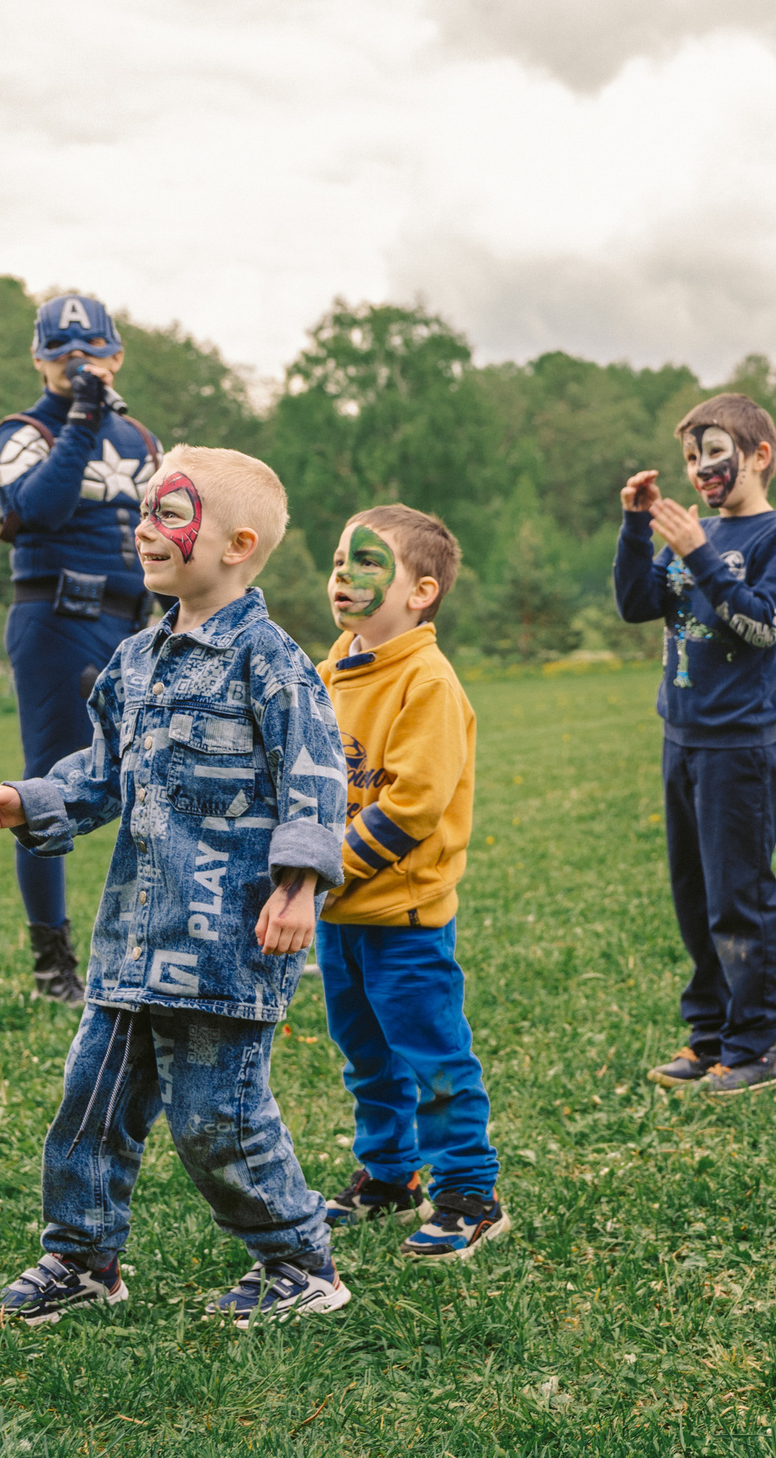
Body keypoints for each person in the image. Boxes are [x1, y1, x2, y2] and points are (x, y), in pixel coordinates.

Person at [0, 446, 352, 1328]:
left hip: (225, 943)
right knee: (89, 1105)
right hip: (133, 941)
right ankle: (81, 1257)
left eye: (170, 512)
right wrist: (30, 799)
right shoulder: (134, 662)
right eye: (143, 509)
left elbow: (316, 778)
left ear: (238, 543)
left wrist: (298, 887)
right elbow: (101, 773)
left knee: (218, 1119)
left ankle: (299, 1261)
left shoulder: (273, 663)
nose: (144, 527)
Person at [314, 504, 510, 1259]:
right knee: (364, 1051)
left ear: (421, 590)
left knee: (431, 1056)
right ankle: (391, 1173)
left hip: (404, 918)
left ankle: (469, 1189)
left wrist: (328, 863)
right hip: (341, 918)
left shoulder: (425, 680)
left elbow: (414, 803)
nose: (343, 575)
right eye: (338, 559)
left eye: (367, 562)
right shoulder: (332, 671)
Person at [616, 394, 776, 1100]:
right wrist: (639, 528)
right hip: (683, 740)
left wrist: (700, 553)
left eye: (716, 451)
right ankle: (710, 1035)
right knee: (694, 898)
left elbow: (759, 627)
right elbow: (639, 603)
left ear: (758, 454)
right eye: (692, 455)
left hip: (741, 749)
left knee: (740, 897)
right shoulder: (688, 536)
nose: (701, 467)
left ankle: (760, 1044)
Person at [0, 292, 161, 1003]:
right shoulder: (21, 431)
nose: (77, 363)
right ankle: (53, 962)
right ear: (38, 357)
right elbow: (36, 510)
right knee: (49, 781)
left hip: (135, 620)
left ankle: (169, 941)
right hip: (56, 616)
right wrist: (81, 418)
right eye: (61, 351)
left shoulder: (142, 439)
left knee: (161, 776)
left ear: (118, 356)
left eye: (91, 351)